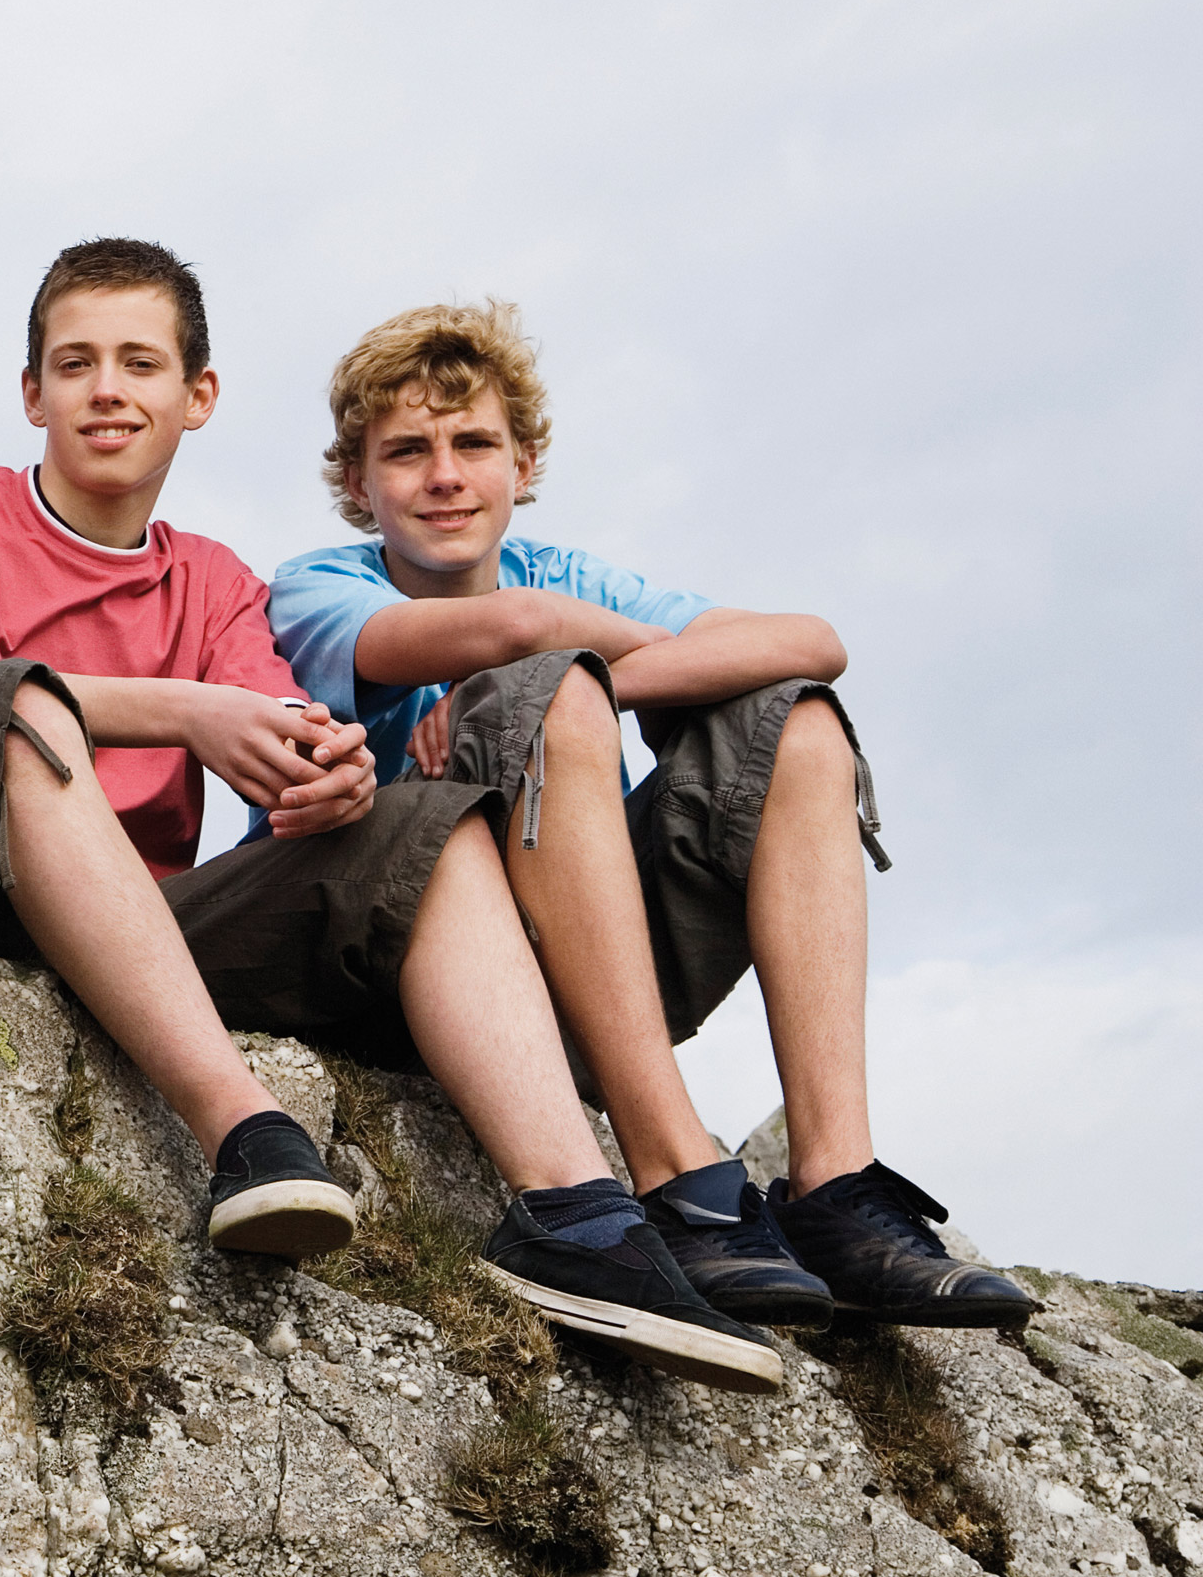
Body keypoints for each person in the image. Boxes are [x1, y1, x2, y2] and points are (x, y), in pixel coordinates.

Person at [0, 238, 787, 1393]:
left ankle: (576, 1215)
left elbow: (282, 729)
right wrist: (189, 712)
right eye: (75, 364)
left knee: (423, 821)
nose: (108, 389)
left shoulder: (219, 578)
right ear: (33, 392)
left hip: (133, 921)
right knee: (18, 704)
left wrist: (333, 775)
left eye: (140, 362)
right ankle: (245, 1128)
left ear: (198, 396)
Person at [266, 300, 1036, 1330]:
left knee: (796, 727)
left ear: (525, 461)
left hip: (580, 966)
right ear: (358, 484)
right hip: (419, 976)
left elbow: (812, 640)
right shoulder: (319, 585)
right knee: (554, 680)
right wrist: (586, 667)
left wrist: (616, 680)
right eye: (406, 451)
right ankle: (677, 1172)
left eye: (474, 442)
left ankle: (837, 1184)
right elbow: (522, 624)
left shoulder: (569, 573)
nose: (444, 474)